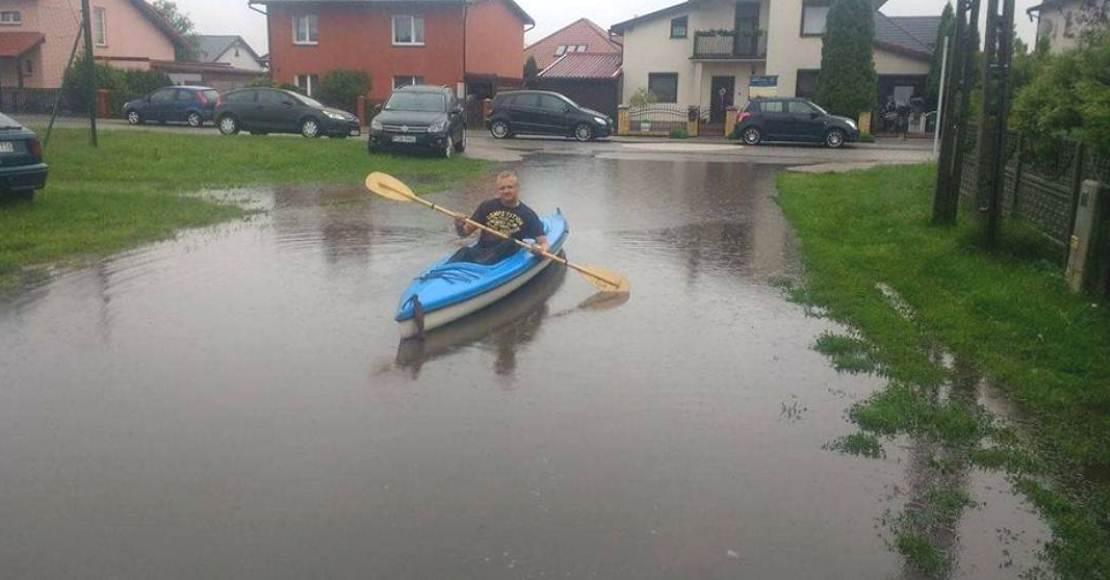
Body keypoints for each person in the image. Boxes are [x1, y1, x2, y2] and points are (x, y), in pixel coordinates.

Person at [450, 170, 549, 265]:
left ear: (517, 188)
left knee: (509, 242)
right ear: (498, 190)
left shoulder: (528, 214)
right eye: (502, 188)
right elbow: (464, 233)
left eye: (510, 187)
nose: (506, 191)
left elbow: (543, 242)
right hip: (483, 251)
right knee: (464, 251)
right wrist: (459, 224)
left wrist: (540, 250)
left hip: (506, 255)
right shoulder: (487, 206)